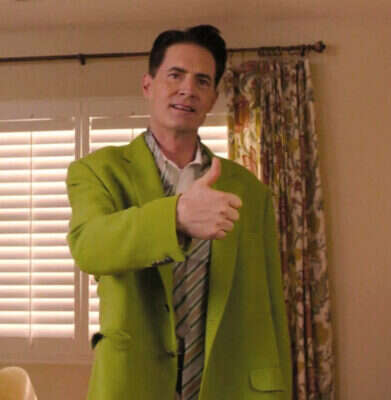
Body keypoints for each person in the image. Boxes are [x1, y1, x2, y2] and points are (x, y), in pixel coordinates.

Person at [66, 25, 292, 400]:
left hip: (230, 384)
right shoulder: (99, 171)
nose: (188, 89)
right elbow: (89, 246)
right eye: (175, 75)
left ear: (213, 98)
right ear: (148, 86)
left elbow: (271, 302)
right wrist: (176, 217)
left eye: (202, 81)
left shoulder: (248, 190)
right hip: (134, 385)